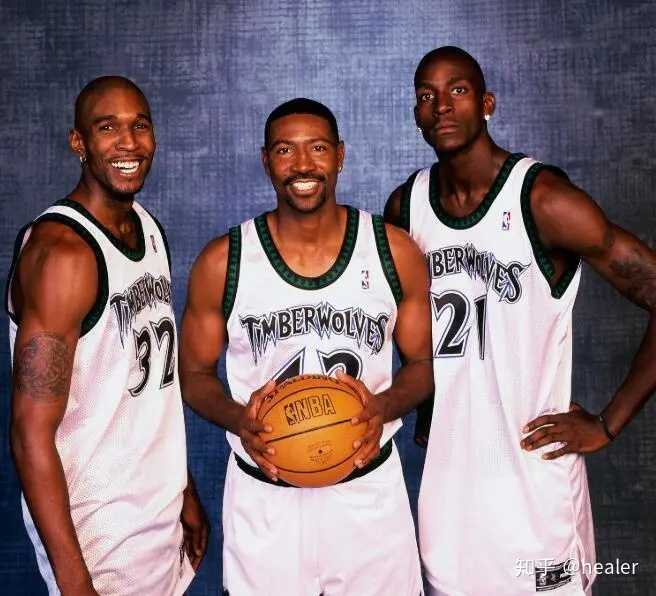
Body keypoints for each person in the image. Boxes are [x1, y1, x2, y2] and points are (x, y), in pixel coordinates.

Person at [385, 46, 656, 596]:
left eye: (458, 90)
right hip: (449, 493)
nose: (442, 105)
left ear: (487, 103)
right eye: (426, 95)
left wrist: (608, 424)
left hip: (534, 488)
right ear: (415, 114)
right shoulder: (405, 208)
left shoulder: (543, 200)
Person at [180, 98, 433, 595]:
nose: (302, 165)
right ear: (265, 160)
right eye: (284, 150)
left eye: (317, 148)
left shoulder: (392, 251)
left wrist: (382, 407)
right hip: (266, 499)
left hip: (367, 496)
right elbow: (193, 375)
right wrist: (240, 420)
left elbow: (423, 364)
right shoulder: (224, 262)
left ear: (339, 155)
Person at [7, 76, 208, 596]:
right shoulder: (62, 255)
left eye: (139, 126)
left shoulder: (147, 227)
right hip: (97, 531)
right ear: (79, 143)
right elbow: (29, 433)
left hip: (156, 511)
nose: (128, 143)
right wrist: (74, 578)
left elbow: (147, 387)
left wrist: (183, 489)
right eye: (107, 128)